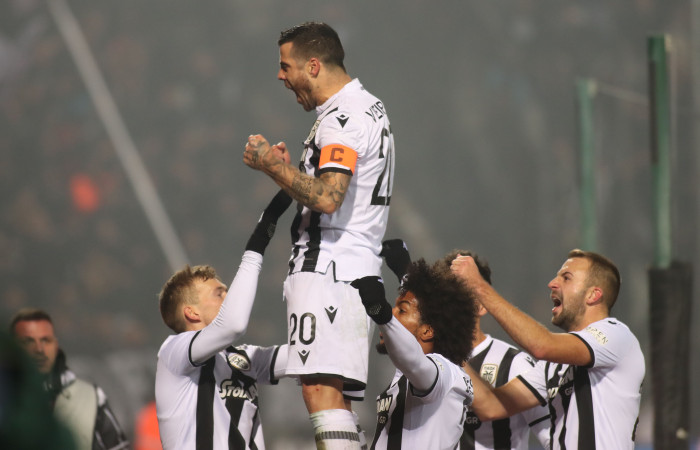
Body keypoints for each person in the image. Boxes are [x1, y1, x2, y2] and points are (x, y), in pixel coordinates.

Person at [243, 21, 396, 449]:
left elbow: (329, 197)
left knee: (319, 390)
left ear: (313, 65)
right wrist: (289, 171)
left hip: (328, 265)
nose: (280, 75)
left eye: (285, 66)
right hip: (355, 266)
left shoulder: (341, 119)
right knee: (334, 395)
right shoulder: (368, 106)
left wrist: (270, 166)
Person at [450, 249, 645, 449]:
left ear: (593, 295)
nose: (552, 283)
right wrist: (451, 348)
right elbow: (491, 406)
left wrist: (478, 286)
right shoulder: (553, 364)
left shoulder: (616, 336)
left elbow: (541, 345)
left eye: (566, 278)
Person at [155, 191, 292, 450]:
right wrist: (258, 242)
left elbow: (309, 355)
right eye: (219, 294)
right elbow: (233, 325)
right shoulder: (173, 353)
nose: (229, 299)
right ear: (192, 313)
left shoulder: (242, 358)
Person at [382, 240, 550, 449]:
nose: (445, 304)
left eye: (455, 296)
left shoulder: (514, 363)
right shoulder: (423, 361)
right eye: (442, 296)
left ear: (481, 306)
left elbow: (551, 438)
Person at [351, 258, 477, 449]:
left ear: (427, 331)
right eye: (393, 309)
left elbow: (416, 364)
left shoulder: (445, 372)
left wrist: (383, 316)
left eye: (402, 310)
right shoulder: (402, 380)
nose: (393, 313)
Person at [9, 308, 129, 450]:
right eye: (28, 342)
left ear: (56, 346)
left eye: (46, 340)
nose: (39, 349)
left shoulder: (90, 397)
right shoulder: (6, 399)